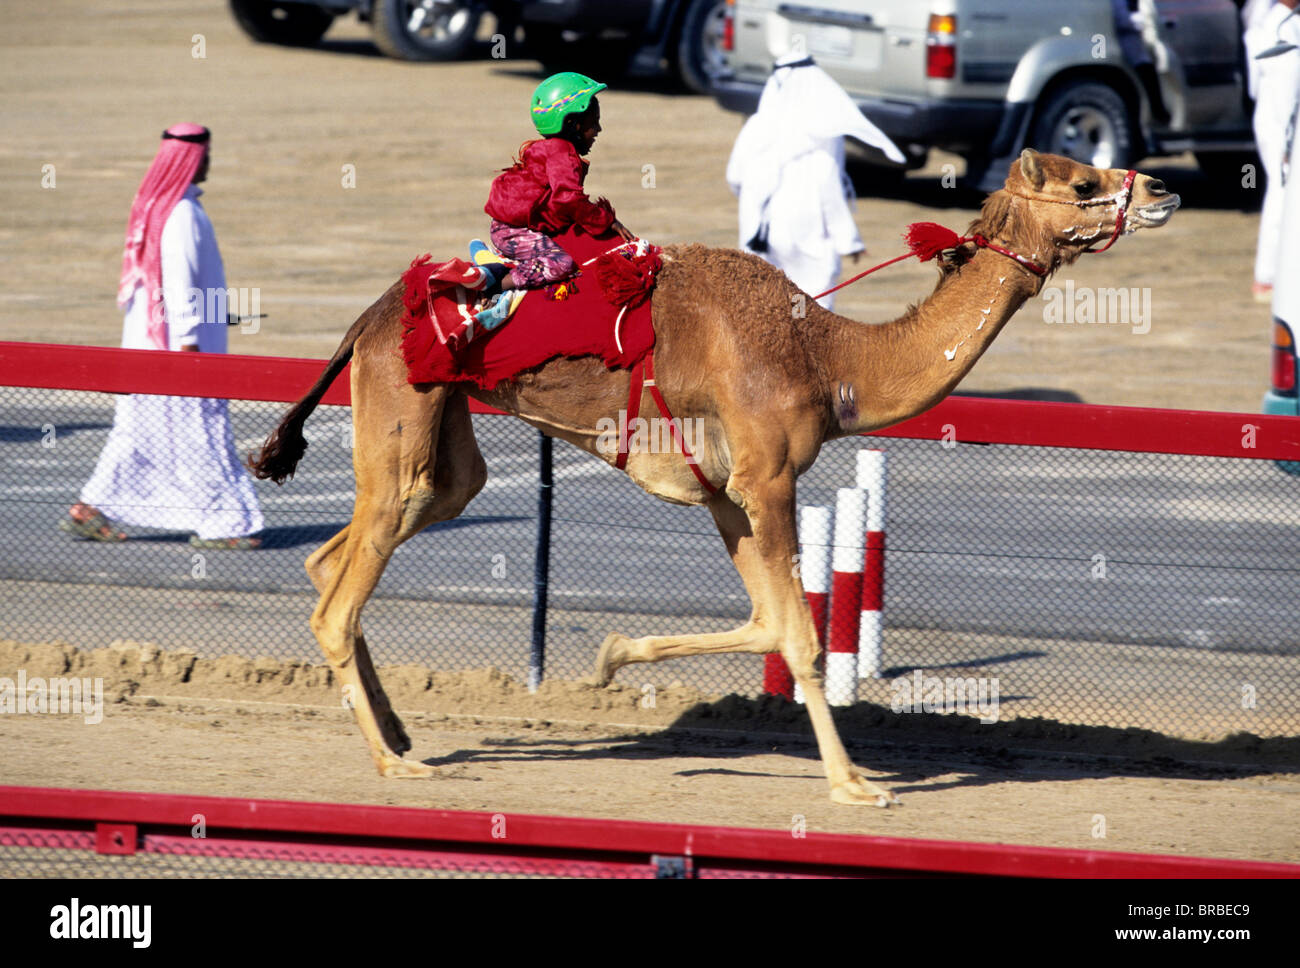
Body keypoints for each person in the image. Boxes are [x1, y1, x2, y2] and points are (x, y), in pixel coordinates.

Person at [59, 124, 265, 549]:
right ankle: (224, 524)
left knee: (139, 431)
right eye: (205, 155)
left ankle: (90, 508)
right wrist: (190, 345)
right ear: (191, 159)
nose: (208, 162)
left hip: (152, 347)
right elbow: (179, 285)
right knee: (196, 429)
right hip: (176, 351)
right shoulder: (182, 214)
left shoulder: (160, 208)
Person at [726, 51, 906, 311]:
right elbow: (828, 187)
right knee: (810, 312)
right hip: (806, 231)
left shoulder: (756, 126)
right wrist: (848, 241)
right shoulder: (824, 130)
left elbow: (735, 177)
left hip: (760, 230)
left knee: (766, 309)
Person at [473, 71, 636, 328]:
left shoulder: (548, 148)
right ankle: (495, 288)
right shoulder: (563, 154)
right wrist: (606, 221)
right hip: (513, 231)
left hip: (507, 226)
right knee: (561, 263)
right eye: (594, 122)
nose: (599, 130)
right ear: (573, 124)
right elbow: (568, 201)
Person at [1246, 0, 1300, 302]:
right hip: (1281, 125)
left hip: (1274, 120)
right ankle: (1267, 277)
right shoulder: (1281, 24)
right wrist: (1289, 143)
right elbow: (1288, 89)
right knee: (1282, 196)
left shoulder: (1277, 21)